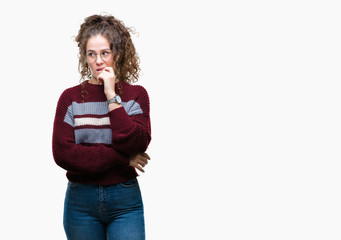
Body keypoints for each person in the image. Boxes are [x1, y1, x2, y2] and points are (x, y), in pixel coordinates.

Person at [52, 14, 151, 240]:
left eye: (105, 53)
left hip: (125, 200)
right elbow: (63, 154)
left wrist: (111, 95)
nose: (98, 61)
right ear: (84, 57)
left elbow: (136, 142)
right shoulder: (70, 98)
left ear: (117, 53)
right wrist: (124, 159)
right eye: (91, 54)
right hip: (80, 202)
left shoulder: (136, 96)